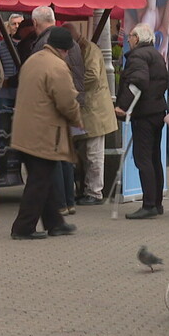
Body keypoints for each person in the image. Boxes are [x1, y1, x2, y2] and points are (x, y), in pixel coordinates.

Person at [10, 26, 82, 239]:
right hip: (43, 134)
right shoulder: (58, 67)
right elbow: (67, 102)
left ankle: (55, 223)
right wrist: (78, 121)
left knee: (44, 178)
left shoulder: (33, 59)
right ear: (65, 50)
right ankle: (22, 228)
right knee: (39, 182)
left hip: (24, 131)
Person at [30, 6, 85, 214]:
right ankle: (68, 201)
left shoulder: (45, 45)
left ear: (35, 23)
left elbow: (44, 79)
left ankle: (59, 204)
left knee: (52, 157)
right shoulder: (71, 42)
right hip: (72, 102)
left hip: (53, 107)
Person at [115, 23, 168, 218]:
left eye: (130, 36)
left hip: (144, 113)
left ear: (137, 38)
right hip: (157, 110)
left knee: (143, 158)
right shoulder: (156, 55)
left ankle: (148, 205)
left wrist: (123, 106)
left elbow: (137, 82)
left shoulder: (138, 56)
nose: (128, 40)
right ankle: (156, 203)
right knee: (154, 158)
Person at [68, 24, 117, 206]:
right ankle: (87, 190)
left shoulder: (89, 49)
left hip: (95, 111)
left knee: (94, 154)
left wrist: (71, 85)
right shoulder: (82, 49)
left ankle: (94, 192)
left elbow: (92, 76)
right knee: (87, 154)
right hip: (89, 110)